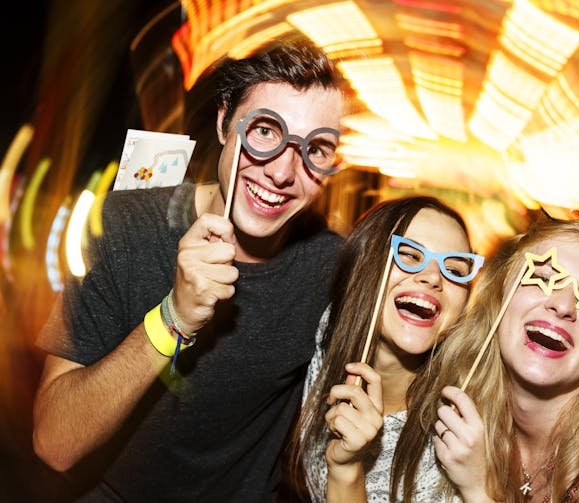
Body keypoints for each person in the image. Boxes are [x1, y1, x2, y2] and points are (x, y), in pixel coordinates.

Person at [32, 35, 346, 501]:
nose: (283, 172)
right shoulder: (121, 226)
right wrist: (172, 319)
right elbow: (54, 442)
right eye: (265, 131)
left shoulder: (331, 265)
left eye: (315, 149)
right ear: (224, 123)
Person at [401, 219, 579, 502]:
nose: (563, 305)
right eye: (542, 279)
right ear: (499, 295)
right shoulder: (444, 411)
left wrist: (479, 493)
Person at [288, 196, 484, 502]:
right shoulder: (324, 331)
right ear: (363, 264)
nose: (433, 278)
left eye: (455, 269)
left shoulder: (458, 432)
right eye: (408, 255)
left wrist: (347, 468)